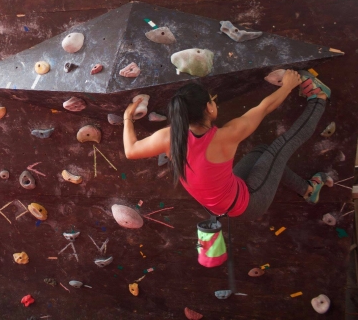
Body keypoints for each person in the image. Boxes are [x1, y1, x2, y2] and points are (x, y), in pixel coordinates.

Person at [122, 70, 330, 219]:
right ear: (209, 108)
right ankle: (319, 97)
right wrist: (288, 85)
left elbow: (131, 150)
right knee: (282, 146)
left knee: (262, 152)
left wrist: (127, 119)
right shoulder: (226, 136)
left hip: (224, 201)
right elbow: (264, 107)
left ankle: (308, 190)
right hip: (250, 203)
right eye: (212, 100)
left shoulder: (168, 136)